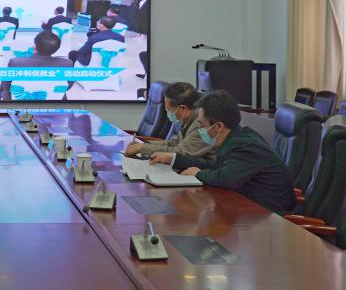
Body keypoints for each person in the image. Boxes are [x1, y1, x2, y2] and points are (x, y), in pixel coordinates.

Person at [149, 90, 295, 213]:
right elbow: (216, 167)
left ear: (218, 126)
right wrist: (174, 159)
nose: (200, 131)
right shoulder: (235, 138)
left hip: (270, 215)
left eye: (202, 126)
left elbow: (226, 178)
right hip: (251, 207)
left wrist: (198, 173)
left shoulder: (244, 146)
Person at [125, 82, 214, 161]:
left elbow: (180, 153)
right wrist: (145, 144)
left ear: (182, 109)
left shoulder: (201, 125)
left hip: (202, 170)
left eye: (168, 109)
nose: (167, 112)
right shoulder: (187, 119)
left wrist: (142, 148)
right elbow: (173, 143)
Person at [0, 31, 75, 100]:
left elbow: (5, 87)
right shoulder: (67, 64)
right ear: (57, 48)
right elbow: (68, 85)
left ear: (34, 46)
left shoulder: (15, 63)